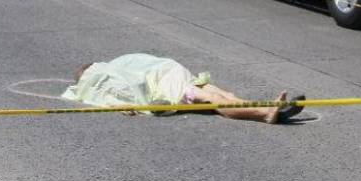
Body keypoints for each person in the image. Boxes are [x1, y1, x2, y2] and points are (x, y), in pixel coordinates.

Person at [62, 53, 304, 124]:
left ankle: (269, 108)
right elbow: (109, 91)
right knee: (213, 98)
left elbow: (112, 88)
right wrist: (123, 105)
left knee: (223, 96)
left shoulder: (112, 68)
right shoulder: (101, 74)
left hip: (176, 77)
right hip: (171, 83)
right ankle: (266, 113)